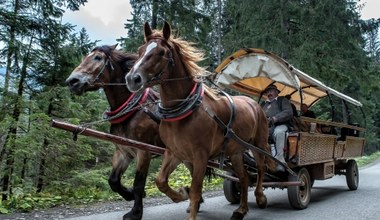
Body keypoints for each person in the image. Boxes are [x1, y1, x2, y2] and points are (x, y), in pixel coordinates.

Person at [261, 85, 293, 172]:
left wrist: (275, 119)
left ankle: (280, 161)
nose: (269, 93)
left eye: (271, 91)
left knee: (279, 132)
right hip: (266, 127)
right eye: (267, 92)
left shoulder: (282, 100)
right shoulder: (263, 104)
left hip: (281, 125)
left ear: (276, 92)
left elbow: (288, 112)